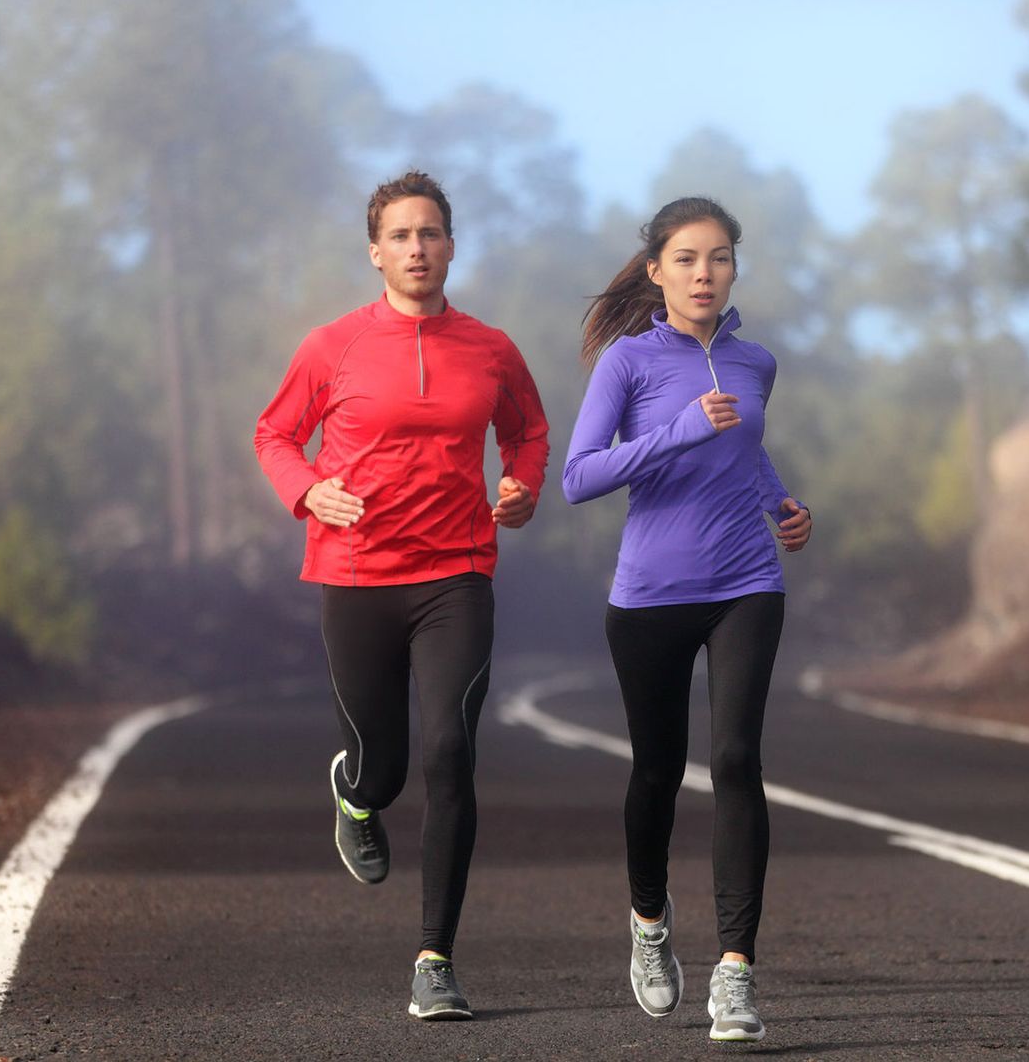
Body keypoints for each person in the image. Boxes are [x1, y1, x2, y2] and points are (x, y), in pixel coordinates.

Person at [254, 170, 549, 1021]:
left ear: (451, 245)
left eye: (431, 234)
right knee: (384, 767)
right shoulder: (332, 345)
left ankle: (435, 960)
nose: (417, 249)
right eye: (401, 236)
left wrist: (520, 485)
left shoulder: (490, 347)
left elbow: (527, 430)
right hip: (355, 576)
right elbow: (275, 433)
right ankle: (354, 793)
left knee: (449, 752)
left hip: (456, 573)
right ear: (375, 251)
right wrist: (308, 491)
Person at [561, 196, 812, 1043]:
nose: (705, 273)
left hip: (748, 580)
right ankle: (649, 922)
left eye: (721, 258)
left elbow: (746, 448)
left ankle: (736, 974)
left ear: (734, 267)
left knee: (737, 760)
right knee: (658, 774)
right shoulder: (627, 366)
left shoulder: (757, 362)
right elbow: (580, 477)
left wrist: (782, 503)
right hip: (650, 596)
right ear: (657, 270)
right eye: (689, 259)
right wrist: (670, 432)